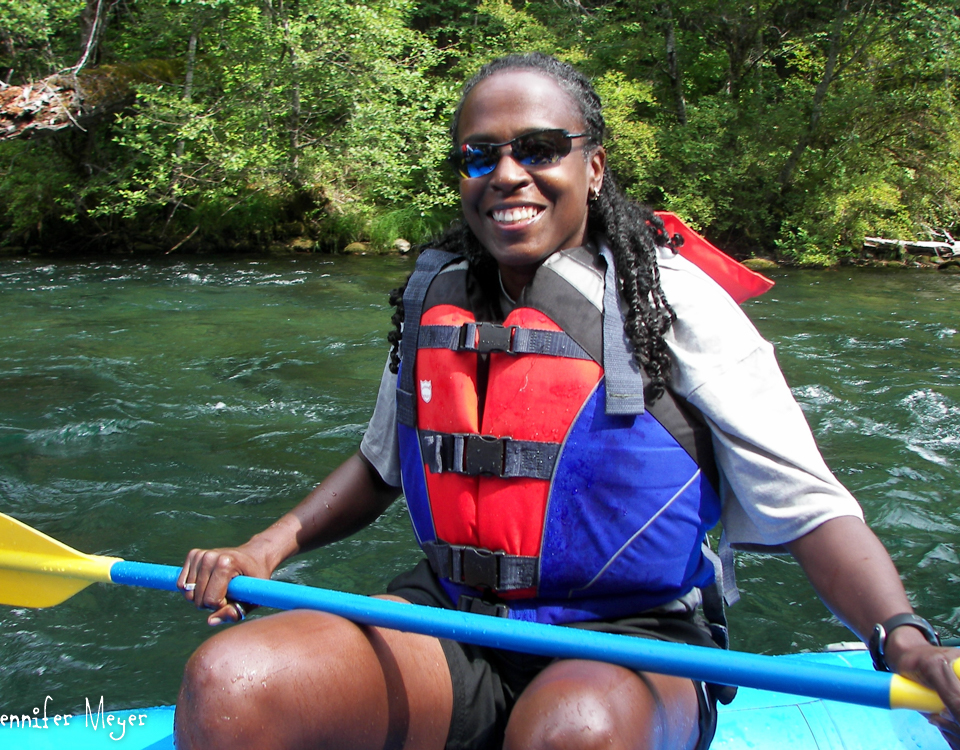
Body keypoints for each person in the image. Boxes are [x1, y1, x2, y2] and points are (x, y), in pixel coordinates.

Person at [174, 53, 960, 750]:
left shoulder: (674, 302)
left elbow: (808, 506)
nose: (507, 174)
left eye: (540, 149)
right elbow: (382, 465)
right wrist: (262, 551)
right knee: (230, 681)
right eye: (480, 155)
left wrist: (902, 637)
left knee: (571, 732)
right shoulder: (435, 295)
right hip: (453, 619)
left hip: (632, 642)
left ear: (593, 166)